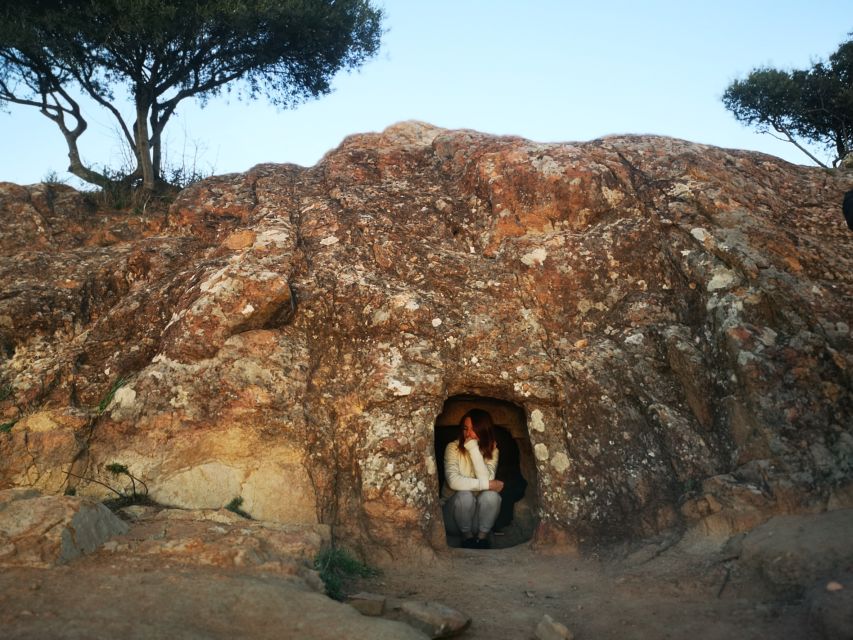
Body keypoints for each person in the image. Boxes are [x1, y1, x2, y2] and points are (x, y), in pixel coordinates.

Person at [441, 408, 503, 549]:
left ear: (483, 430)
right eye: (465, 428)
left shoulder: (492, 450)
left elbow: (488, 478)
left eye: (473, 429)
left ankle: (482, 539)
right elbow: (453, 481)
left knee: (492, 496)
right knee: (465, 495)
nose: (468, 433)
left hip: (479, 522)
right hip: (453, 519)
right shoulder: (452, 448)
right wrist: (487, 484)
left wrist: (474, 450)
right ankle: (467, 538)